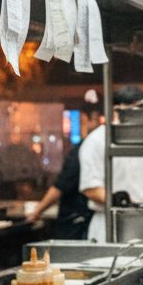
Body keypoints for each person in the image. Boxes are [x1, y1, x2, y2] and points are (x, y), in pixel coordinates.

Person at [79, 85, 143, 241]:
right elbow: (91, 188)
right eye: (134, 110)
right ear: (117, 109)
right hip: (109, 224)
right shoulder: (96, 141)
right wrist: (121, 203)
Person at [25, 102, 100, 239]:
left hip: (75, 222)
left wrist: (37, 211)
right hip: (89, 219)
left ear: (85, 118)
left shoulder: (83, 149)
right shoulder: (103, 147)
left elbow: (60, 186)